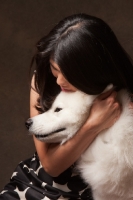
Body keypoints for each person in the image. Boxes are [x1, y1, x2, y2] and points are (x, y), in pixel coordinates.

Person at [1, 13, 133, 200]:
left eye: (68, 73)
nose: (60, 80)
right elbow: (51, 166)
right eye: (55, 69)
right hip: (37, 186)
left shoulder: (125, 95)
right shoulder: (44, 81)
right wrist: (94, 124)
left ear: (92, 70)